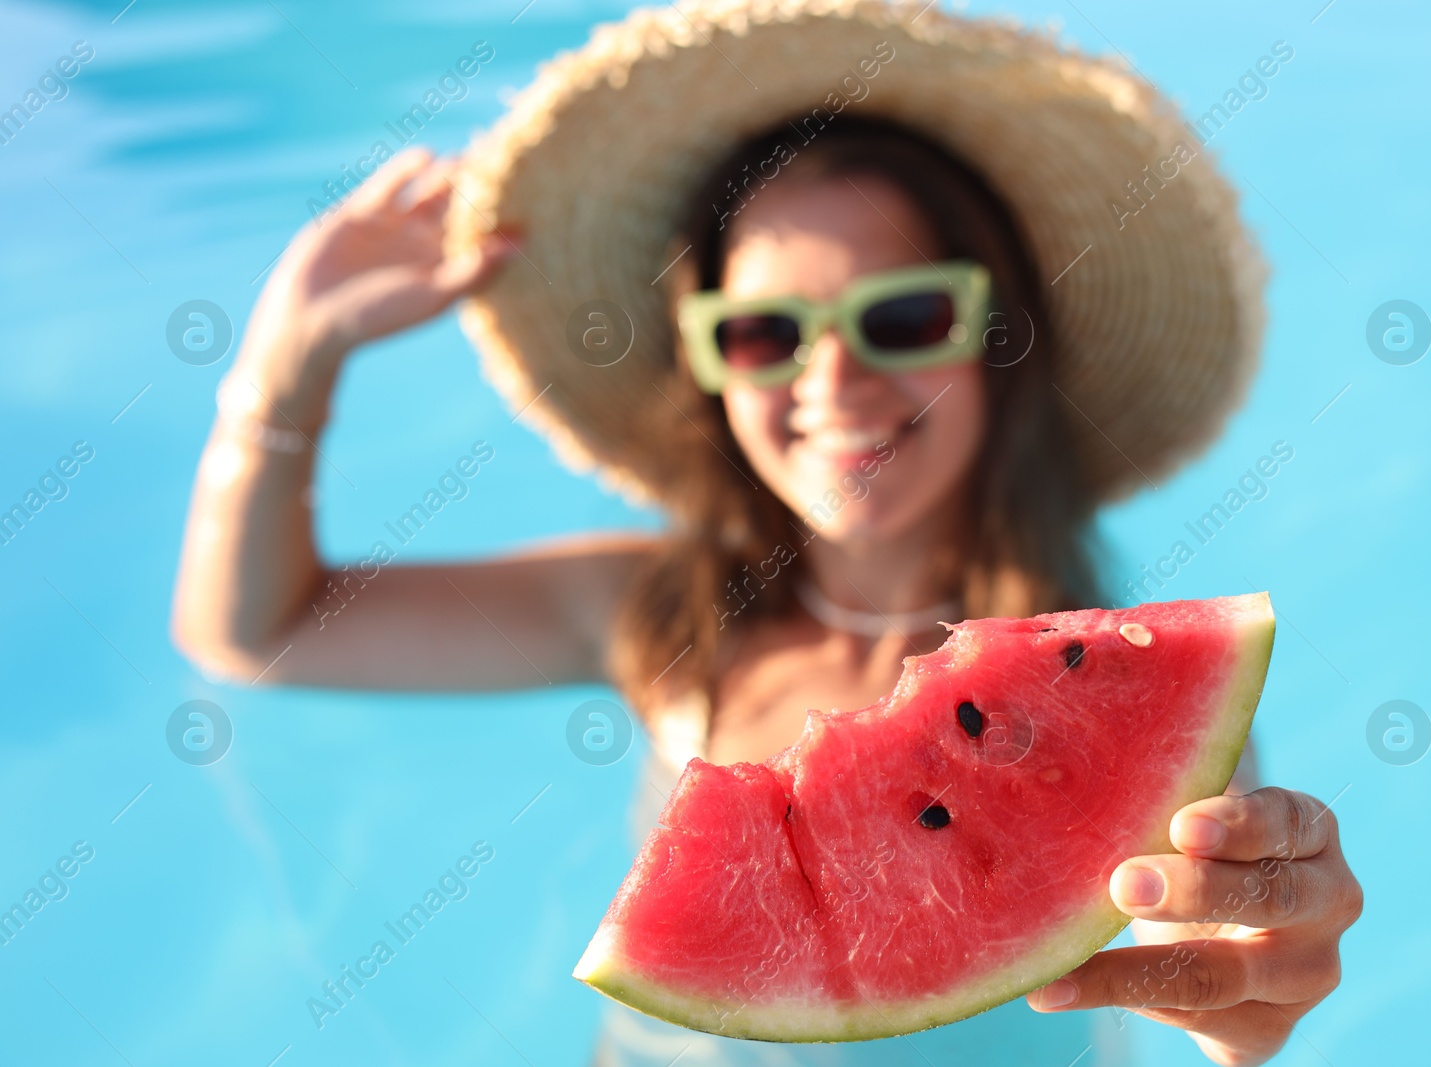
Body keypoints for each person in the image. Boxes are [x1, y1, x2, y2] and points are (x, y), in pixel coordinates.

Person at [171, 2, 1361, 1064]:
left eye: (901, 314)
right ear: (706, 366)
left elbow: (1204, 957)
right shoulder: (644, 608)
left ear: (1002, 341)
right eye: (762, 333)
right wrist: (285, 363)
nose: (832, 379)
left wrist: (1246, 990)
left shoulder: (1110, 699)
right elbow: (258, 632)